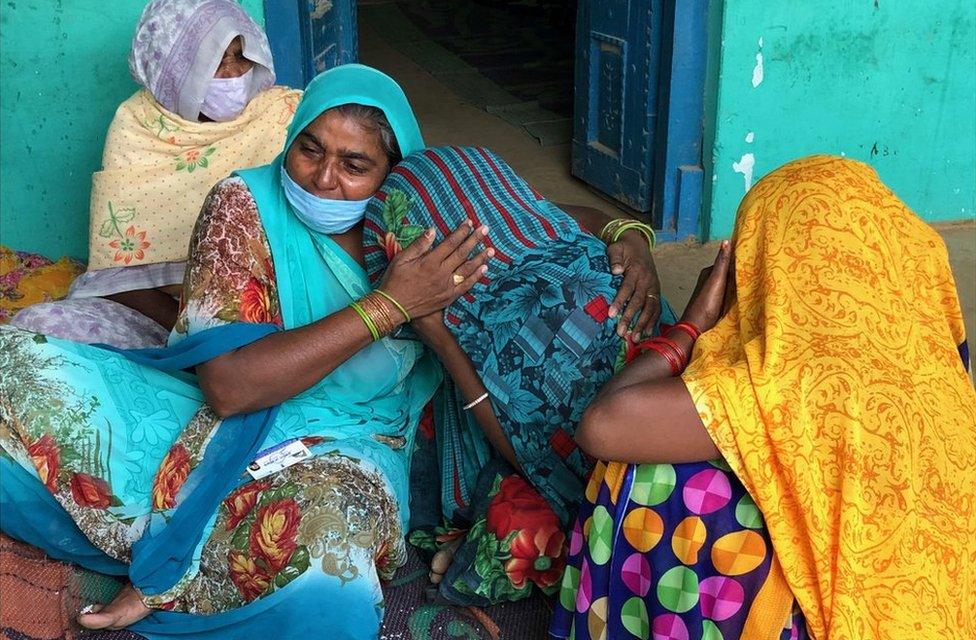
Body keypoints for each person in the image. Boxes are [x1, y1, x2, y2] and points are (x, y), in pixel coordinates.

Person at [0, 64, 493, 639]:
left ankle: (182, 577)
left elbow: (546, 223)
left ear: (394, 172)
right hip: (212, 416)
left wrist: (624, 235)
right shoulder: (243, 204)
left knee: (326, 550)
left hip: (347, 442)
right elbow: (229, 389)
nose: (322, 178)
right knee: (20, 364)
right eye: (309, 150)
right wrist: (388, 306)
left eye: (355, 166)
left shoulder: (418, 232)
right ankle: (171, 555)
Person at [551, 156, 975, 640]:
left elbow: (603, 426)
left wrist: (692, 325)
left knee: (649, 478)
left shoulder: (790, 385)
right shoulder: (936, 368)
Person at [360, 145, 673, 606]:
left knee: (519, 522)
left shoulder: (507, 320)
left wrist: (442, 338)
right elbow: (560, 213)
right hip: (667, 455)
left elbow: (527, 453)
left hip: (622, 479)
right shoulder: (575, 255)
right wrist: (633, 239)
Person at [11, 0, 300, 348]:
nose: (232, 74)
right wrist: (191, 335)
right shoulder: (138, 127)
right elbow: (119, 280)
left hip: (267, 312)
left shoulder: (283, 113)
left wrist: (232, 327)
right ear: (170, 67)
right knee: (38, 327)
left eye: (239, 56)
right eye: (212, 62)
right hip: (165, 316)